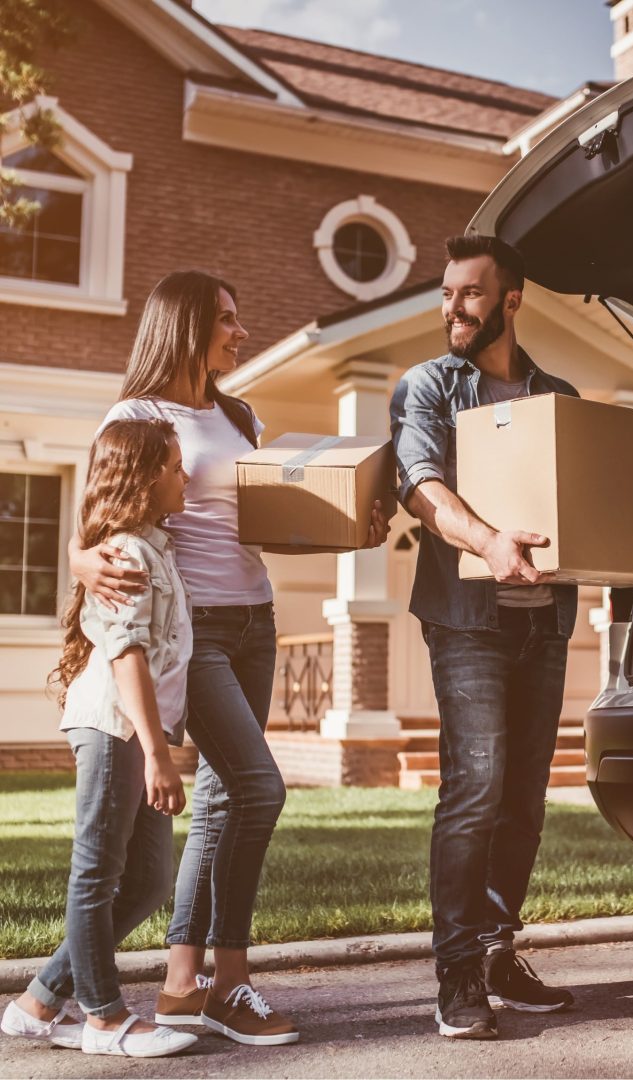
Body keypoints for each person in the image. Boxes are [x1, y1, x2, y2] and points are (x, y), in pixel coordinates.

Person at [391, 235, 633, 1040]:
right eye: (445, 293)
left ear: (511, 301)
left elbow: (597, 511)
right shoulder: (429, 386)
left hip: (545, 624)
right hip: (468, 623)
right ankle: (458, 971)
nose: (452, 308)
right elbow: (422, 487)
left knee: (525, 799)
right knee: (476, 790)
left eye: (469, 293)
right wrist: (492, 540)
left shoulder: (555, 397)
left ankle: (499, 951)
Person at [69, 271, 390, 1047]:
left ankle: (184, 983)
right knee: (258, 789)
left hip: (256, 617)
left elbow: (255, 523)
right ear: (185, 325)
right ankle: (230, 981)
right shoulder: (137, 414)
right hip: (195, 628)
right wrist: (81, 567)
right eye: (227, 320)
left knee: (221, 800)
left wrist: (351, 529)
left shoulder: (238, 413)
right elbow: (99, 520)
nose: (240, 333)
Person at [2, 419, 198, 1059]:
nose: (185, 476)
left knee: (146, 882)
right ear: (145, 478)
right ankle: (104, 1017)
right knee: (98, 873)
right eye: (175, 466)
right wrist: (157, 752)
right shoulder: (124, 555)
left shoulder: (155, 545)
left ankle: (37, 1002)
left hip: (137, 730)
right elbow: (126, 657)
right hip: (115, 726)